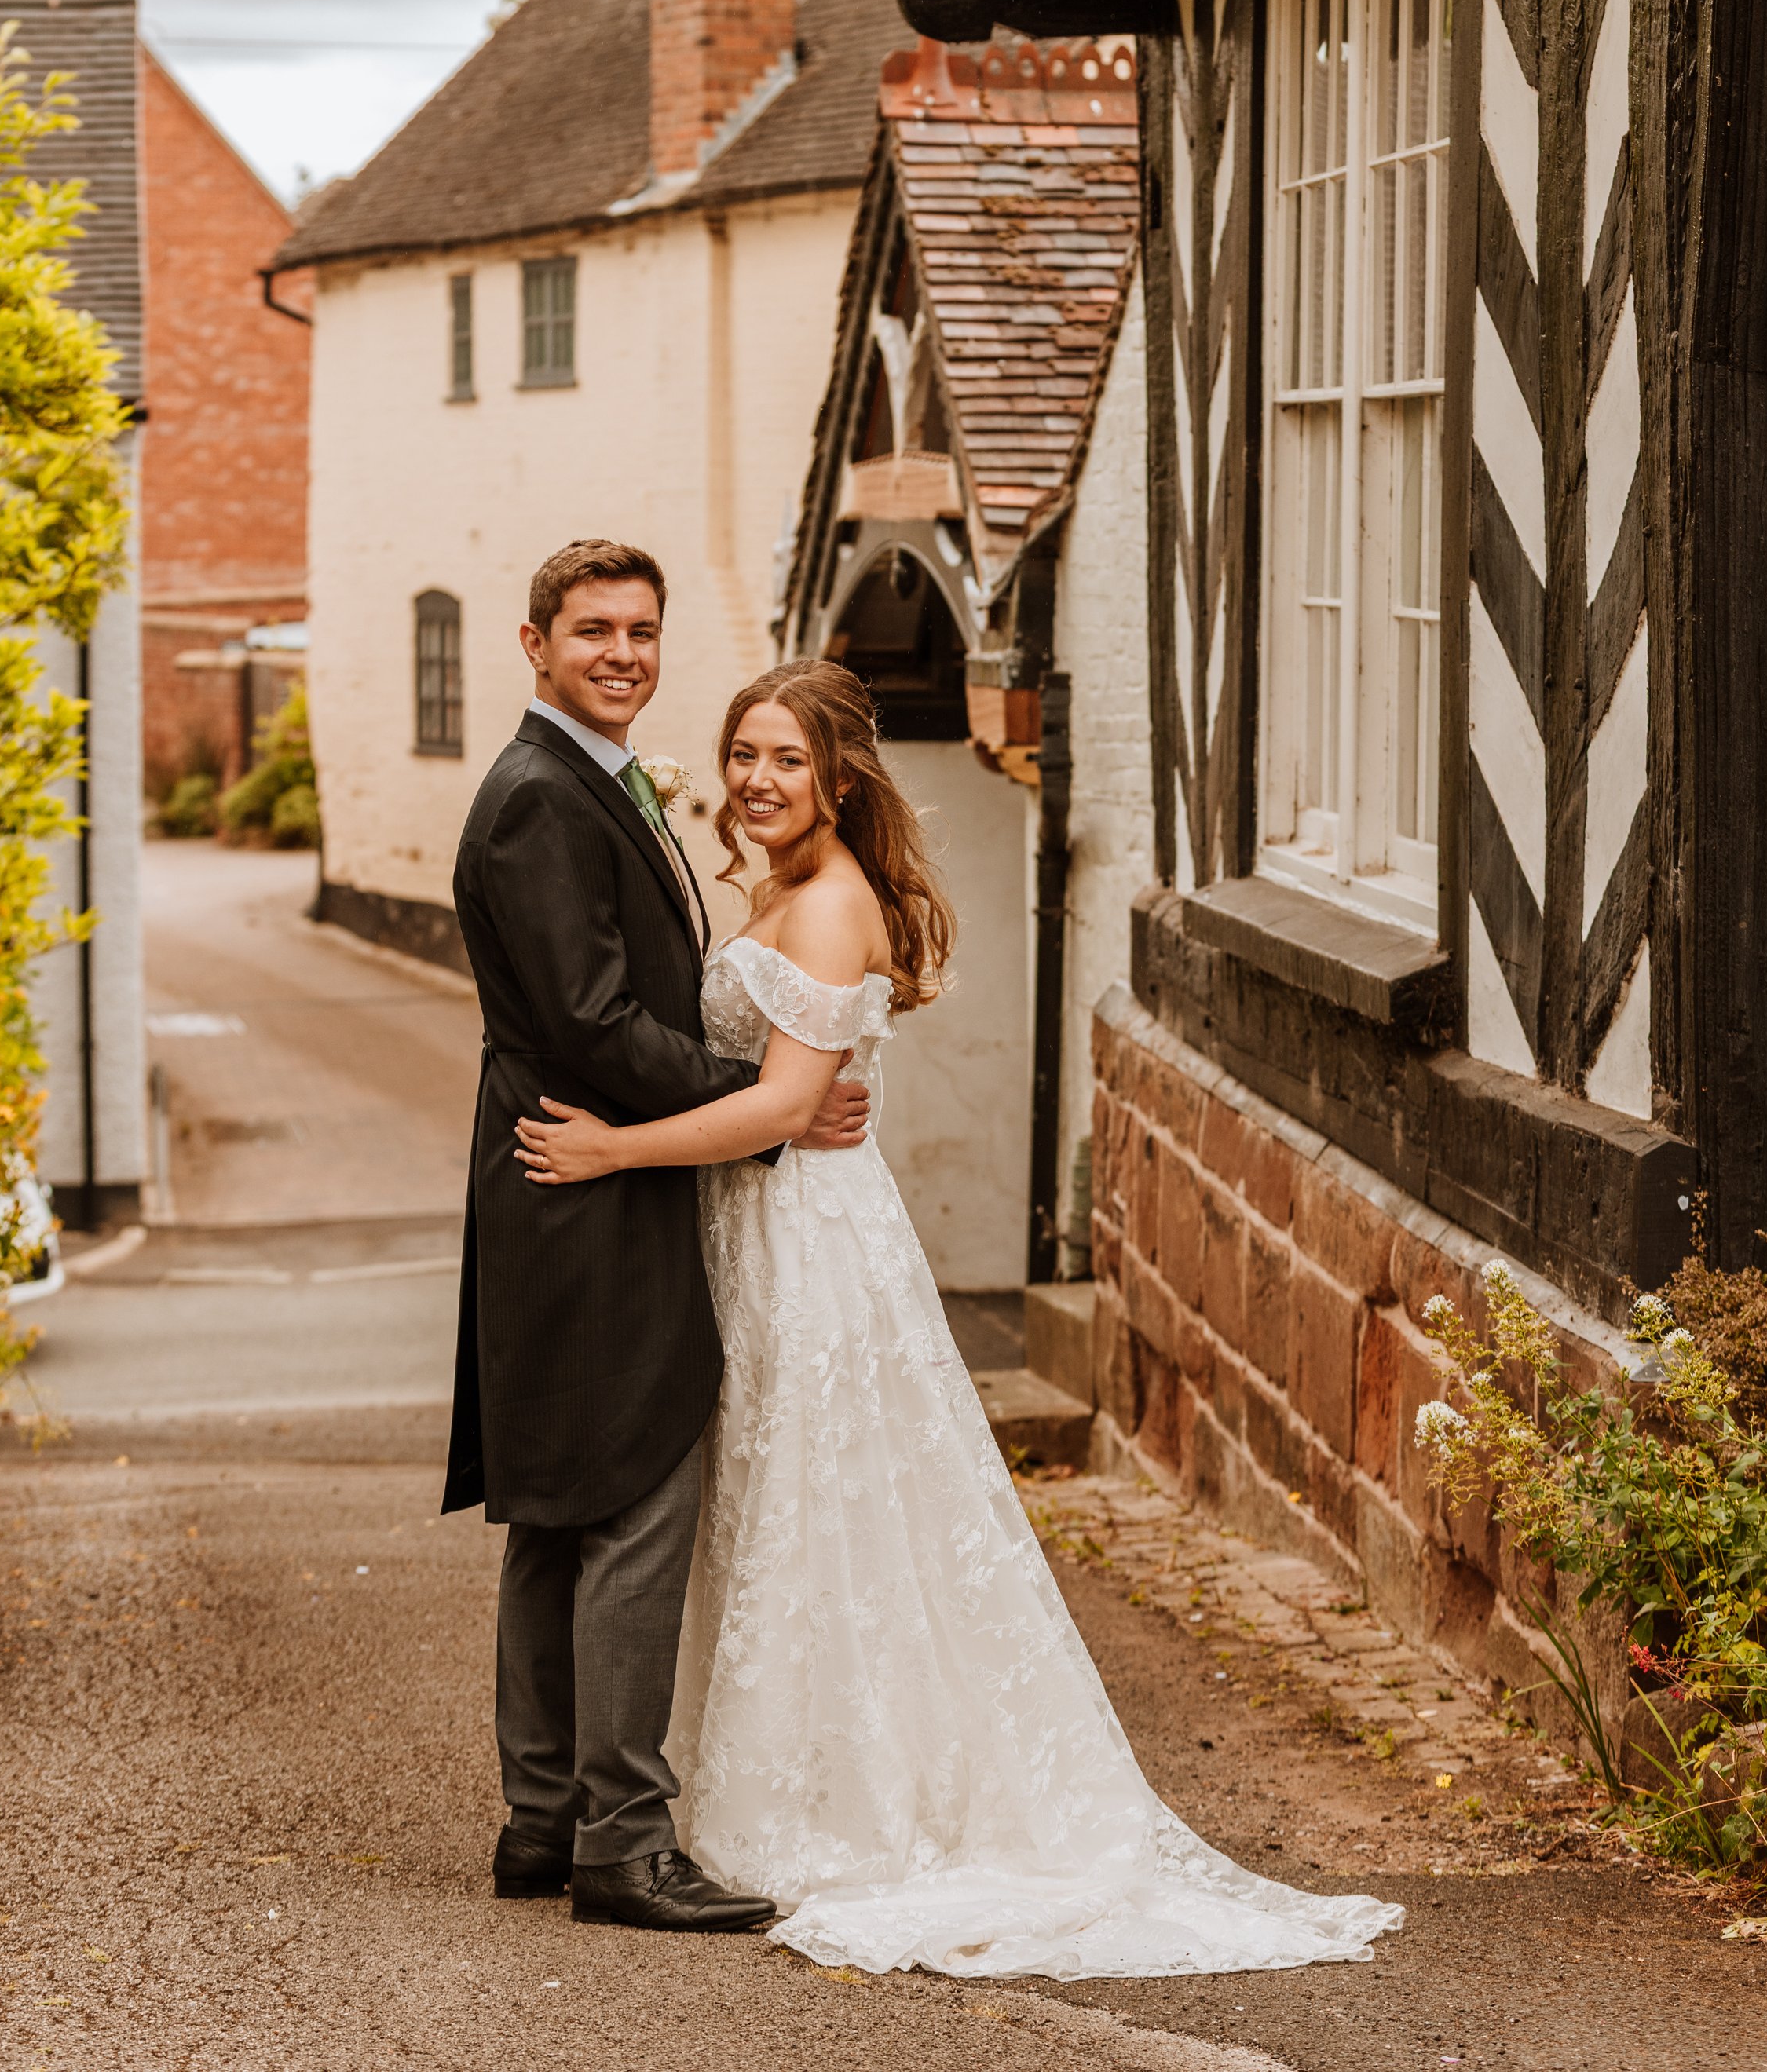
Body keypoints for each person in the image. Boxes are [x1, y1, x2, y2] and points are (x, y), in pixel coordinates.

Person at [515, 656, 1403, 1982]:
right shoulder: (775, 885)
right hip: (747, 1229)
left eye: (789, 763)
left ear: (842, 780)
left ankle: (835, 1798)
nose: (758, 780)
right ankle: (724, 1779)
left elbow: (773, 1109)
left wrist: (612, 1154)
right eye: (744, 753)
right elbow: (766, 1083)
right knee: (772, 1505)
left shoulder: (827, 908)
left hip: (802, 1236)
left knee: (821, 1504)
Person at [442, 543, 871, 1935]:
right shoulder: (537, 803)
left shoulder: (581, 783)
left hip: (567, 1178)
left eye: (641, 631)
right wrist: (763, 1106)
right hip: (584, 1180)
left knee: (563, 1501)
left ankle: (545, 1819)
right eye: (592, 632)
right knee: (630, 1495)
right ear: (534, 643)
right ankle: (621, 1842)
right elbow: (593, 1026)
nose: (622, 653)